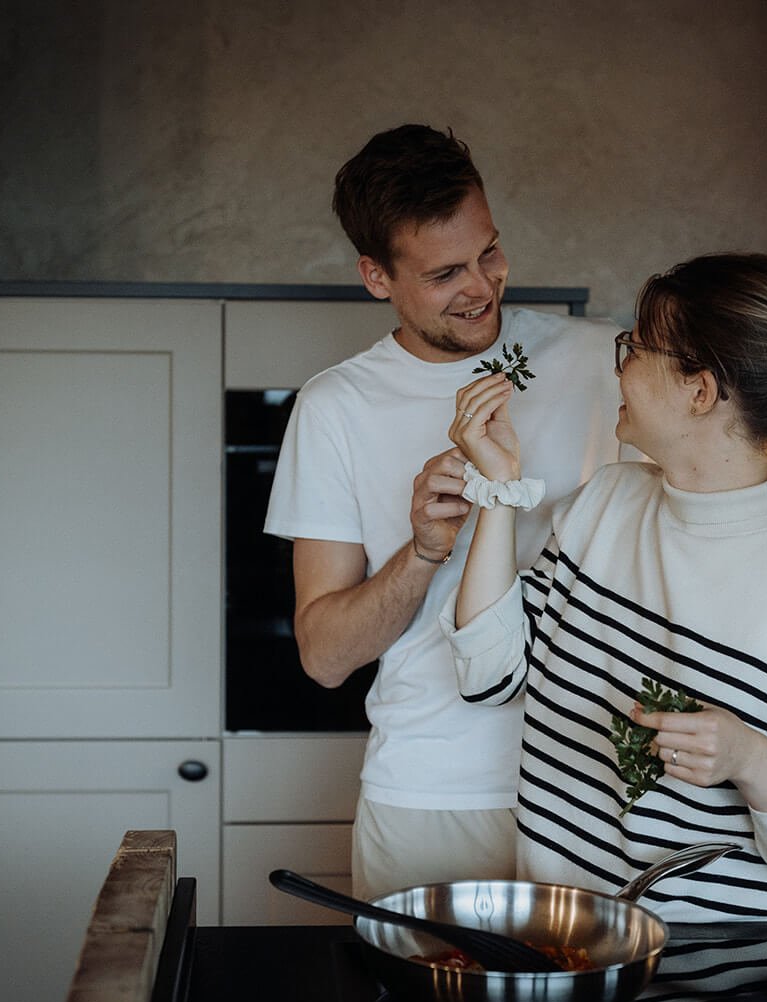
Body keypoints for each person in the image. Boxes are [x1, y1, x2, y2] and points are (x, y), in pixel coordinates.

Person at [441, 252, 767, 922]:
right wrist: (494, 486)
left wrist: (753, 759)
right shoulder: (604, 504)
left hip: (726, 994)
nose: (620, 367)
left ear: (700, 390)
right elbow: (491, 673)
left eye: (635, 347)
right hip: (562, 944)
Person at [264, 124, 623, 900]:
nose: (482, 286)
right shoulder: (335, 408)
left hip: (594, 790)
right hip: (432, 794)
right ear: (376, 276)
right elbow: (324, 655)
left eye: (489, 252)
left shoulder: (602, 362)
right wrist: (423, 550)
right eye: (445, 272)